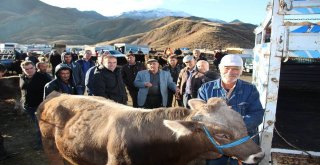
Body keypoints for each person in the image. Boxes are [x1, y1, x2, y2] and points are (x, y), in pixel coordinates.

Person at [197, 55, 264, 165]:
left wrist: (235, 127)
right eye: (227, 68)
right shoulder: (206, 89)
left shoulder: (250, 89)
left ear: (242, 70)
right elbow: (199, 116)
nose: (230, 72)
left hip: (243, 145)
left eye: (236, 69)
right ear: (220, 68)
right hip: (216, 146)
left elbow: (257, 114)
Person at [20, 61, 51, 150]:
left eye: (31, 68)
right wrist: (23, 101)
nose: (29, 70)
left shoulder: (43, 78)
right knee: (36, 124)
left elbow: (51, 91)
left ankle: (42, 144)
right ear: (22, 69)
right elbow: (23, 91)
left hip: (40, 106)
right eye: (26, 69)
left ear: (35, 68)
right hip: (28, 106)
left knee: (40, 126)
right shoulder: (22, 77)